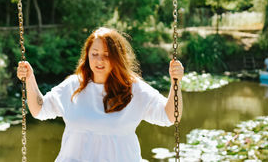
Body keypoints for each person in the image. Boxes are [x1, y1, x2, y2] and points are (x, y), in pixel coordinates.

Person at [17, 27, 184, 162]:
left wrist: (176, 82)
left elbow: (170, 116)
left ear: (117, 58)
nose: (99, 60)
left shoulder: (134, 88)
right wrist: (30, 79)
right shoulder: (74, 85)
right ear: (87, 55)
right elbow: (39, 109)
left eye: (106, 55)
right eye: (94, 54)